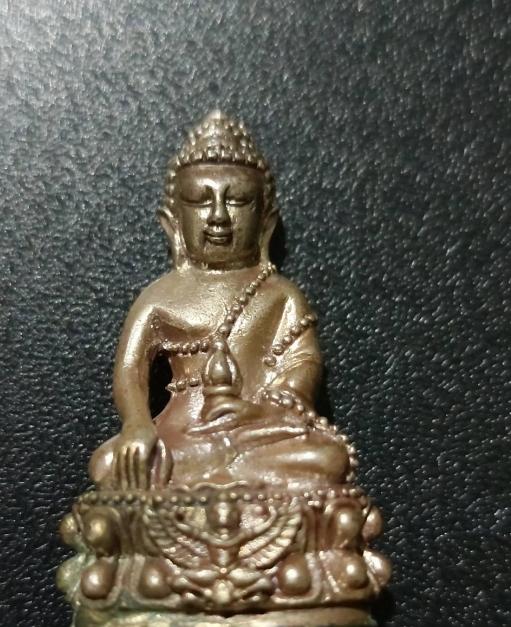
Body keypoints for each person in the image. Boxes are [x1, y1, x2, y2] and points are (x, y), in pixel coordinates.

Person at [89, 111, 352, 490]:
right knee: (109, 464)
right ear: (173, 222)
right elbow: (130, 372)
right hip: (182, 435)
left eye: (238, 201)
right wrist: (137, 424)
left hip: (257, 431)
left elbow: (303, 364)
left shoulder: (280, 295)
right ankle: (221, 478)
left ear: (266, 223)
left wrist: (258, 409)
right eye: (199, 200)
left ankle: (211, 484)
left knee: (328, 458)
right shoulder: (158, 298)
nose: (218, 217)